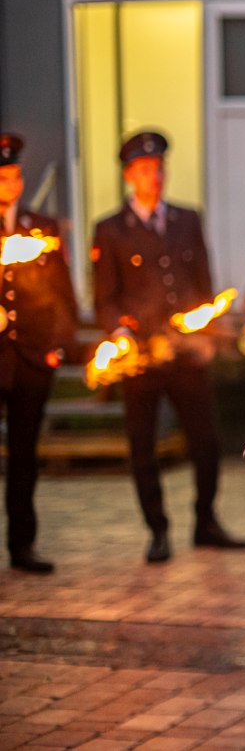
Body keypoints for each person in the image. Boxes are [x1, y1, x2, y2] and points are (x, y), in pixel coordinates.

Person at [92, 130, 245, 563]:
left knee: (206, 442)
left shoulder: (187, 219)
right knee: (142, 446)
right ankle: (157, 530)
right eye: (144, 170)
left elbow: (203, 285)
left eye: (159, 168)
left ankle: (206, 521)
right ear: (129, 176)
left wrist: (205, 334)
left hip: (186, 354)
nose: (154, 176)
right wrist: (120, 334)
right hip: (140, 359)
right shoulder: (110, 229)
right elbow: (105, 298)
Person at [0, 134, 78, 573]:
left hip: (31, 359)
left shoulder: (40, 227)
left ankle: (22, 545)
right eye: (2, 176)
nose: (11, 184)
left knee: (24, 456)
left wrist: (56, 347)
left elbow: (63, 297)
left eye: (15, 175)